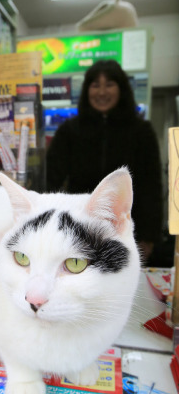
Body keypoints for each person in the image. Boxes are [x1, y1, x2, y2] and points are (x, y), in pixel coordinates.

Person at [46, 59, 163, 263]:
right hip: (77, 229)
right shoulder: (69, 131)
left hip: (126, 228)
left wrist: (149, 236)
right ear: (86, 90)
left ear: (122, 89)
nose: (102, 92)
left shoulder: (141, 132)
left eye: (109, 84)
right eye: (95, 85)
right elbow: (51, 180)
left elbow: (151, 186)